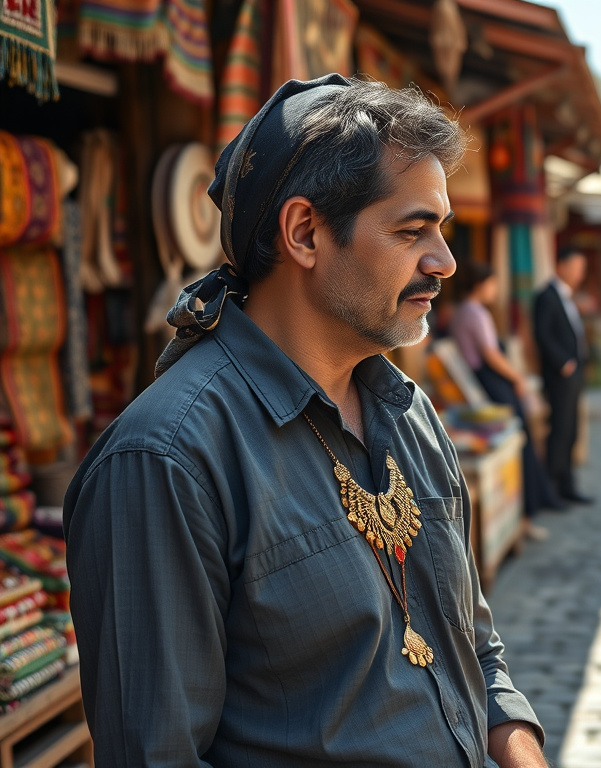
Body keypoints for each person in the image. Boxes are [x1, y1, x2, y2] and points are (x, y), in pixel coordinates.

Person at [63, 75, 546, 767]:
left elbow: (474, 652)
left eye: (441, 230)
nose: (445, 262)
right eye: (413, 230)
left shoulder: (410, 418)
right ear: (304, 233)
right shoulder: (166, 460)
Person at [450, 261, 564, 538]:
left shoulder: (460, 313)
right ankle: (525, 517)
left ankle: (525, 515)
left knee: (521, 443)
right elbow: (490, 355)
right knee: (520, 444)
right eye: (493, 283)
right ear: (480, 285)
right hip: (493, 383)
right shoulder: (475, 313)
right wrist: (517, 377)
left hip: (484, 382)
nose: (496, 289)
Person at [533, 247, 592, 505]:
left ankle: (567, 484)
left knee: (571, 431)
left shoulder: (567, 295)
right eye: (577, 267)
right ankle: (552, 490)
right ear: (562, 266)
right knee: (559, 432)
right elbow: (543, 335)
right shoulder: (546, 295)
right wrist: (564, 363)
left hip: (573, 374)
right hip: (560, 376)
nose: (580, 274)